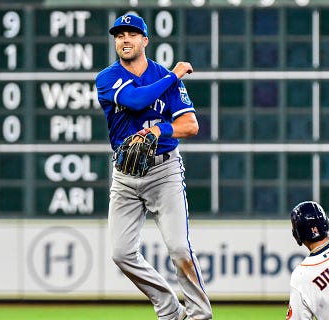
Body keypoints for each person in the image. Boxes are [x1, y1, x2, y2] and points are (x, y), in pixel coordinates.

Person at [95, 14, 213, 320]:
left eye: (131, 34)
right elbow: (135, 100)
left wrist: (161, 130)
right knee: (121, 254)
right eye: (119, 35)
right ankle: (169, 307)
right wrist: (174, 76)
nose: (124, 39)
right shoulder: (107, 78)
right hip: (125, 175)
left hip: (164, 172)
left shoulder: (160, 74)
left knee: (179, 249)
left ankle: (200, 314)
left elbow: (190, 124)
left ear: (144, 40)